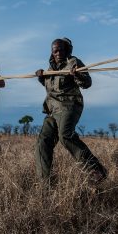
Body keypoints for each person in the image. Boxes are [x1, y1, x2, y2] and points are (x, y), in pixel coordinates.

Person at [34, 37, 107, 183]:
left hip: (69, 105)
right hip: (52, 109)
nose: (59, 52)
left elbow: (87, 83)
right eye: (56, 50)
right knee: (43, 141)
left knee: (65, 135)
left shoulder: (74, 62)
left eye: (62, 49)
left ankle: (96, 171)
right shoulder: (49, 69)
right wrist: (41, 77)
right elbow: (52, 88)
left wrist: (77, 75)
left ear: (67, 50)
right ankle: (45, 183)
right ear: (52, 52)